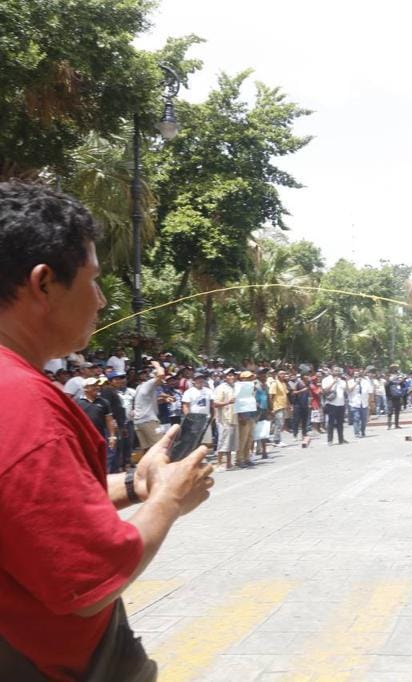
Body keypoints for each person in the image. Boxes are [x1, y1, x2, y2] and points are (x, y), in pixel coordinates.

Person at [0, 180, 212, 679]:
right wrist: (168, 501)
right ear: (44, 283)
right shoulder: (22, 403)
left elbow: (34, 508)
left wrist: (136, 485)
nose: (100, 301)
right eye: (93, 281)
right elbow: (89, 583)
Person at [133, 360, 167, 454]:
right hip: (148, 420)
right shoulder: (149, 384)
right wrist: (157, 365)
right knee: (160, 445)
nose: (161, 383)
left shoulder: (141, 387)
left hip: (139, 421)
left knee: (147, 449)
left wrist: (163, 400)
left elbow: (147, 401)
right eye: (161, 381)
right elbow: (161, 374)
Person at [212, 369, 237, 469]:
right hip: (224, 418)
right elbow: (215, 403)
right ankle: (218, 463)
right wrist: (228, 402)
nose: (232, 377)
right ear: (225, 377)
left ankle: (228, 463)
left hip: (233, 417)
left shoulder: (235, 387)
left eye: (233, 375)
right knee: (223, 441)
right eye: (229, 375)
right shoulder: (221, 388)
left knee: (230, 441)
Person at [234, 370, 258, 467]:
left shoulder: (250, 387)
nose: (250, 379)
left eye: (251, 377)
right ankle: (239, 459)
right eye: (248, 378)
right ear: (242, 378)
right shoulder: (239, 387)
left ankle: (247, 457)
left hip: (251, 412)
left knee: (250, 437)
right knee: (242, 438)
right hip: (243, 413)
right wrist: (240, 415)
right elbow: (237, 400)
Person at [322, 366, 348, 445]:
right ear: (331, 371)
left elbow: (346, 390)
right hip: (331, 404)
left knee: (340, 423)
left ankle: (341, 439)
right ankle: (330, 440)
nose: (337, 372)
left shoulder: (341, 381)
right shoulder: (326, 380)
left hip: (341, 404)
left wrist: (345, 380)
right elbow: (325, 390)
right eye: (335, 371)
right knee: (331, 423)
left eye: (338, 371)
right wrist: (334, 382)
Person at [347, 369, 372, 437]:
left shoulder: (366, 382)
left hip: (364, 403)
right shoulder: (350, 382)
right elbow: (349, 390)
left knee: (364, 419)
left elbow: (370, 393)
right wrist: (356, 383)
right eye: (355, 374)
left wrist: (370, 403)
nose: (357, 375)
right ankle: (357, 433)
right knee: (356, 418)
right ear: (353, 375)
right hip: (354, 403)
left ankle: (362, 431)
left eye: (358, 374)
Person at [268, 369, 290, 445]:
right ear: (278, 375)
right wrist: (271, 408)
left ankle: (278, 439)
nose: (283, 375)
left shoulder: (283, 383)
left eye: (284, 374)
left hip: (283, 406)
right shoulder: (275, 383)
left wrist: (288, 405)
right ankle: (276, 440)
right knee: (278, 423)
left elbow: (285, 395)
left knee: (281, 423)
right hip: (277, 406)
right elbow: (271, 396)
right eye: (281, 374)